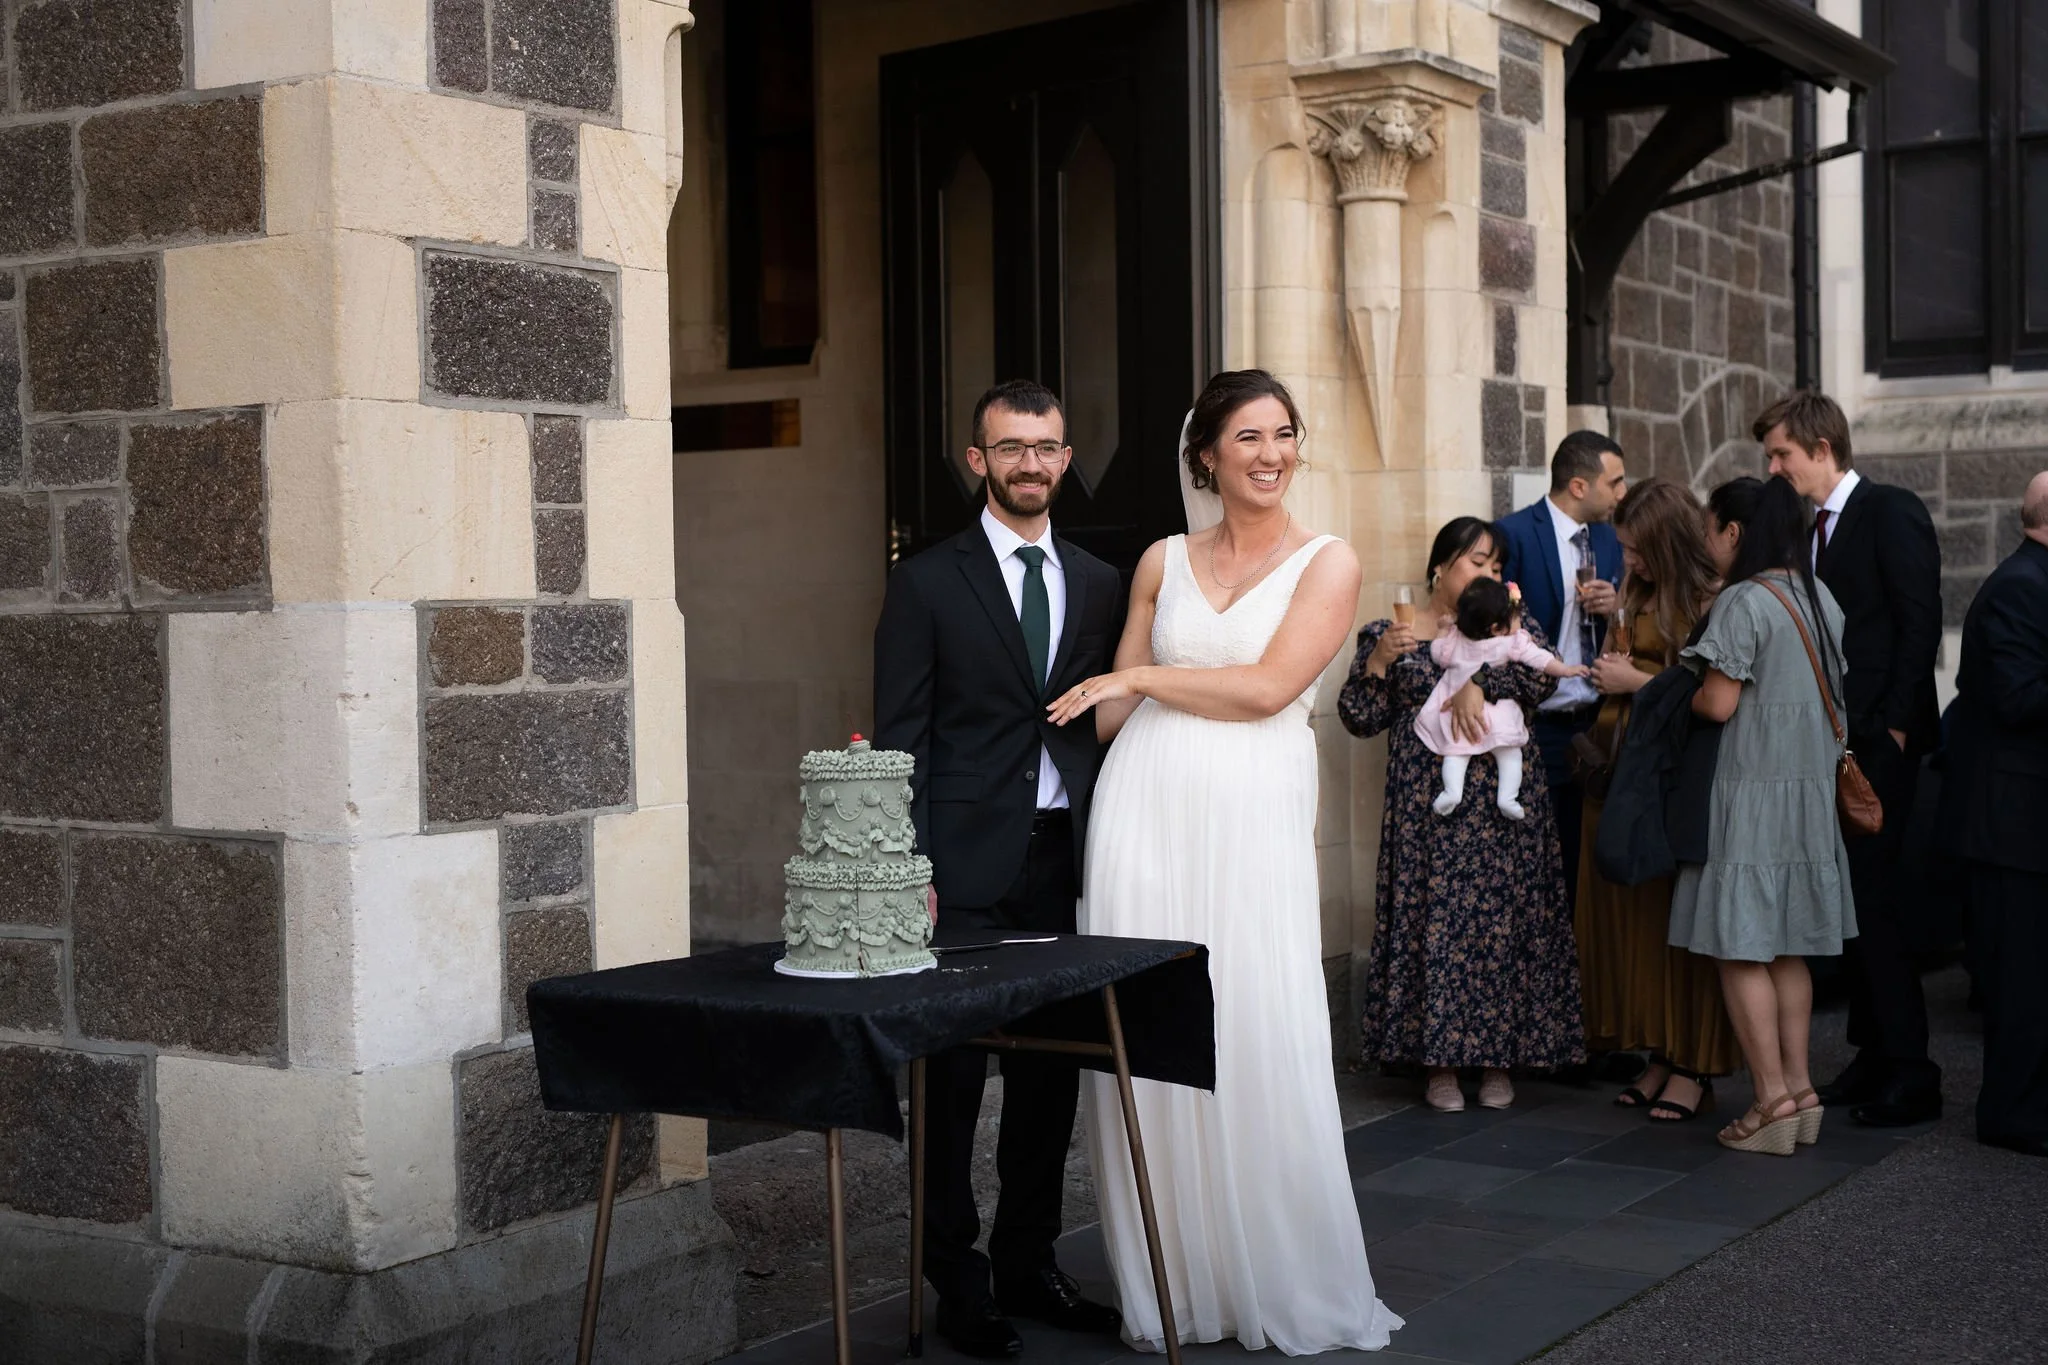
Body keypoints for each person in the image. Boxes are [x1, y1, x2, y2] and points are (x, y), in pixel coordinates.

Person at [1047, 370, 1402, 1354]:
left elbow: (1267, 688)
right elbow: (1111, 710)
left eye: (1283, 433)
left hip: (1250, 808)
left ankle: (1272, 1274)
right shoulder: (1160, 558)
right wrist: (1028, 712)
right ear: (1205, 453)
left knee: (1251, 1021)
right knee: (1147, 1044)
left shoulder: (1327, 560)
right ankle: (1173, 1287)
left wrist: (1139, 675)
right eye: (1246, 437)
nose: (1269, 454)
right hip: (1141, 812)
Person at [872, 379, 1124, 1357]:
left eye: (1047, 447)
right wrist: (908, 863)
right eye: (1010, 447)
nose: (1030, 463)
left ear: (1066, 460)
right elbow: (900, 737)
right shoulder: (925, 581)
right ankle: (957, 1280)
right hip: (958, 871)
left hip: (1064, 862)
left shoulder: (1099, 582)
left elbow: (1097, 722)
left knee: (1051, 1078)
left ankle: (1028, 1262)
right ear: (976, 460)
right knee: (950, 1082)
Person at [1340, 518, 1586, 1114]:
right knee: (1436, 930)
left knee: (1503, 929)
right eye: (1479, 564)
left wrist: (1474, 683)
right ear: (1440, 568)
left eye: (1498, 568)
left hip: (1502, 816)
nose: (1492, 577)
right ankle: (1438, 1065)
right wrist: (1376, 662)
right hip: (1429, 814)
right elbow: (1359, 717)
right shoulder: (1391, 631)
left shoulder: (1512, 623)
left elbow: (1538, 677)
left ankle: (1500, 1061)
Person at [1758, 391, 1944, 1128]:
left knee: (1881, 902)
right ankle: (1875, 1053)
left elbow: (1917, 617)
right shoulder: (1806, 532)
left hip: (1878, 745)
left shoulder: (1890, 510)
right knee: (1853, 908)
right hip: (1831, 743)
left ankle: (1912, 1071)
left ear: (1822, 448)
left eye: (1781, 454)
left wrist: (1895, 728)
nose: (1773, 467)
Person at [1674, 476, 1857, 1155]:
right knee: (1785, 947)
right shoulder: (1820, 597)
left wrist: (1674, 694)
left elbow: (1718, 704)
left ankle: (1770, 1099)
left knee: (1739, 945)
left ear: (1735, 533)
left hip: (1749, 790)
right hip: (1806, 791)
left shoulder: (1744, 600)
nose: (1707, 543)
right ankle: (1802, 1090)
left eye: (1711, 529)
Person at [1578, 478, 1741, 1122]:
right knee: (1636, 926)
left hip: (1671, 781)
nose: (1630, 561)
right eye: (1624, 549)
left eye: (1639, 550)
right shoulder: (1633, 594)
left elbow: (1705, 699)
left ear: (1669, 544)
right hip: (1619, 774)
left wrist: (1632, 679)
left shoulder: (1712, 601)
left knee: (1681, 926)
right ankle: (1658, 1051)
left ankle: (1694, 1062)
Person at [1937, 472, 2048, 1158]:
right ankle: (2013, 1114)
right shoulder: (2019, 587)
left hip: (2027, 822)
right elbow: (2017, 697)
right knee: (2023, 983)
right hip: (2012, 827)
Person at [1496, 431, 1628, 907]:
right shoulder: (1514, 535)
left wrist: (1616, 605)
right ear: (1578, 485)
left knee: (1591, 858)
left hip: (1599, 720)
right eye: (1614, 482)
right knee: (1541, 862)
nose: (1622, 493)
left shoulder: (1612, 540)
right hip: (1537, 726)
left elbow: (1633, 613)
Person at [1417, 578, 1588, 820]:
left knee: (1455, 752)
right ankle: (1508, 797)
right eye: (1516, 617)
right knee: (1510, 754)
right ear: (1497, 628)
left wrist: (1444, 630)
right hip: (1499, 715)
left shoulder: (1458, 640)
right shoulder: (1511, 642)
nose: (1520, 621)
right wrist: (1566, 669)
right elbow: (1540, 659)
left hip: (1462, 716)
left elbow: (1438, 654)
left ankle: (1451, 791)